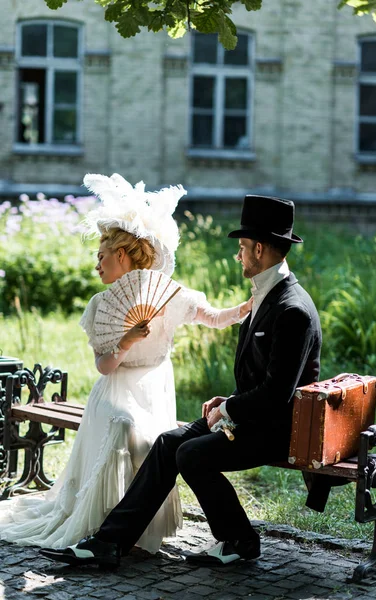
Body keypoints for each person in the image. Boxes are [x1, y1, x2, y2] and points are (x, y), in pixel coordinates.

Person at [40, 193, 322, 568]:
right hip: (252, 418)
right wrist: (229, 400)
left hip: (275, 430)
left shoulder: (293, 310)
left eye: (241, 248)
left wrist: (228, 408)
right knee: (168, 442)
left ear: (258, 249)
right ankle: (109, 543)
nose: (237, 256)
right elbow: (260, 376)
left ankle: (239, 539)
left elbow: (276, 395)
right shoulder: (267, 298)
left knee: (191, 454)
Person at [0, 174, 251, 554]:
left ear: (122, 255)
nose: (97, 266)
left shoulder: (168, 295)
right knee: (124, 425)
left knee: (150, 438)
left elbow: (213, 316)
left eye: (101, 257)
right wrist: (126, 340)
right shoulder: (101, 306)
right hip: (115, 389)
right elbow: (103, 366)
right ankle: (103, 523)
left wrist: (245, 309)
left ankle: (136, 528)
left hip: (154, 387)